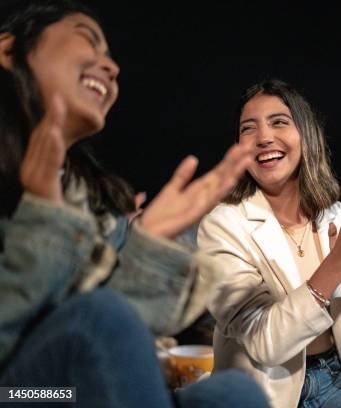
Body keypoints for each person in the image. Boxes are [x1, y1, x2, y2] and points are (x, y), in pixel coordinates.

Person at [0, 1, 267, 406]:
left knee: (233, 393)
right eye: (88, 39)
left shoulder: (86, 197)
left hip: (69, 387)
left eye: (111, 55)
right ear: (7, 51)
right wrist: (44, 220)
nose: (111, 67)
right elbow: (88, 326)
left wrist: (148, 247)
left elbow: (97, 337)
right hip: (21, 392)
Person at [197, 79, 341, 408]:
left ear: (307, 135)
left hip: (335, 378)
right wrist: (337, 262)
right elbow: (266, 345)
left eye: (279, 122)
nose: (263, 138)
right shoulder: (222, 225)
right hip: (258, 390)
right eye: (248, 129)